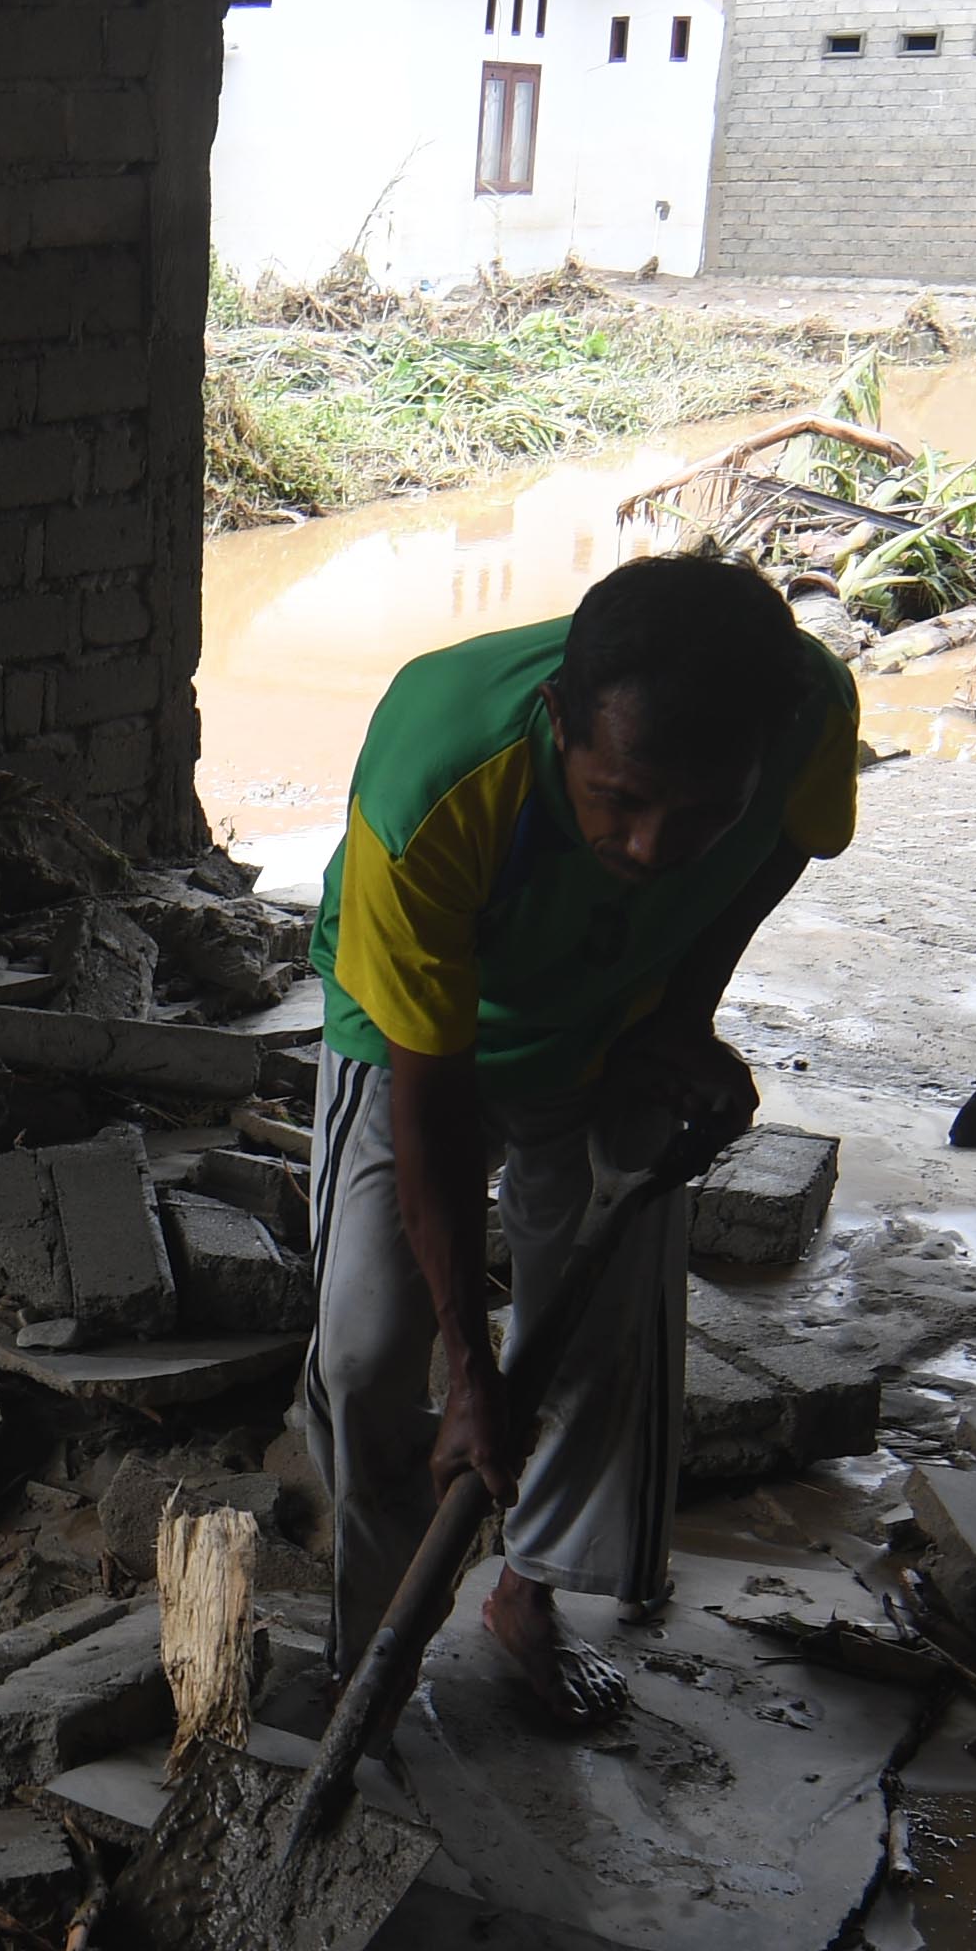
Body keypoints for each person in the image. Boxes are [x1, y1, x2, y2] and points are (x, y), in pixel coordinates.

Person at [301, 551, 853, 1727]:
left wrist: (681, 1011)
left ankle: (527, 1596)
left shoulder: (805, 708)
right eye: (621, 798)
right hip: (413, 1034)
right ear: (558, 724)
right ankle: (370, 1652)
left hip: (611, 1004)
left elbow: (786, 847)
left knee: (608, 1331)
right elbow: (435, 1098)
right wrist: (469, 1367)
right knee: (366, 1349)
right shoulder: (439, 777)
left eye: (702, 811)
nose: (655, 846)